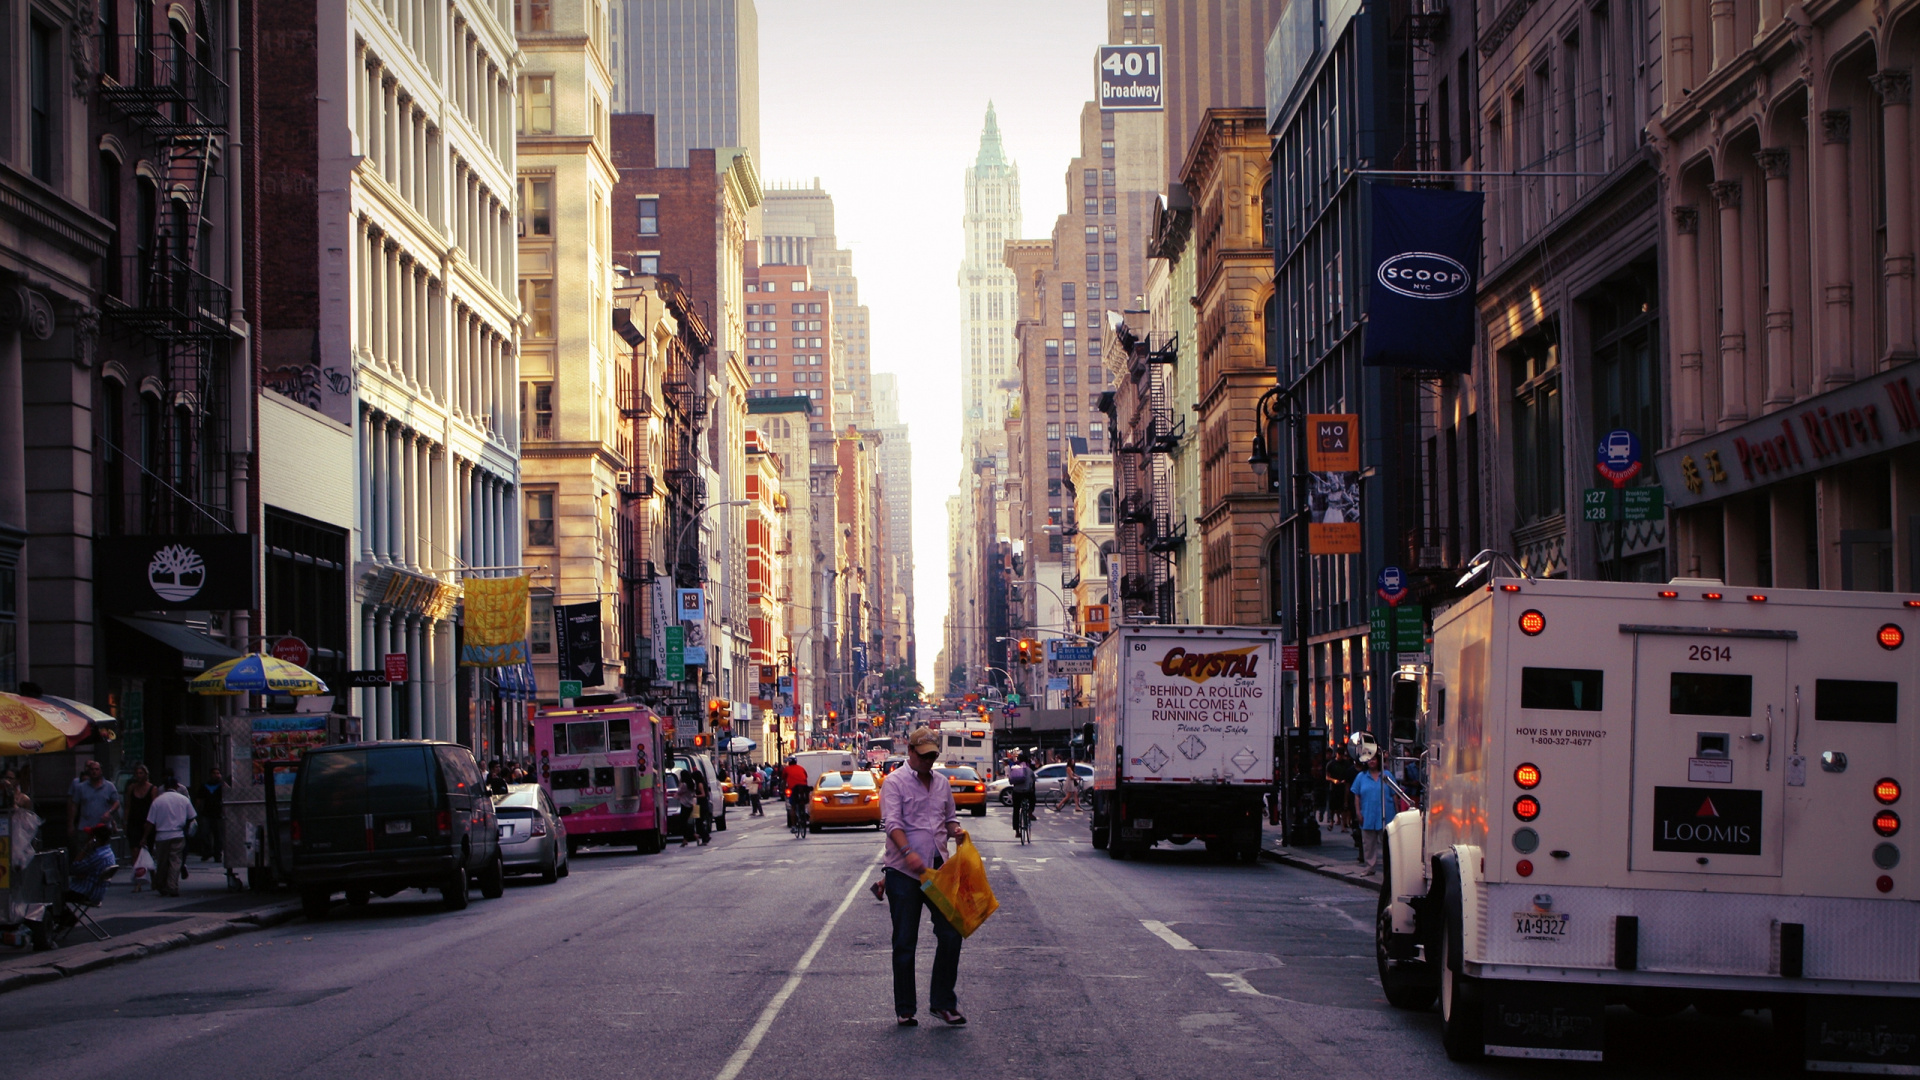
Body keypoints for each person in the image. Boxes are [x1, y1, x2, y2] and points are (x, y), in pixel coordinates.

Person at [879, 726, 969, 1027]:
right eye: (924, 756)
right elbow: (892, 824)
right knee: (905, 941)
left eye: (933, 757)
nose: (929, 762)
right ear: (910, 752)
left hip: (937, 869)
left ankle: (942, 1002)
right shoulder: (894, 783)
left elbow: (949, 818)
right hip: (903, 872)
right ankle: (905, 1008)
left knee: (951, 934)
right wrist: (908, 854)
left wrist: (956, 831)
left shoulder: (942, 783)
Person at [145, 777, 197, 897]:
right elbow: (192, 817)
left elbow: (150, 822)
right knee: (175, 861)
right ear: (177, 786)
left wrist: (145, 837)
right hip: (177, 834)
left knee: (162, 862)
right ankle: (172, 885)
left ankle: (161, 885)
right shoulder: (184, 800)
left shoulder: (157, 801)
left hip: (161, 836)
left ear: (164, 787)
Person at [1350, 753, 1393, 875]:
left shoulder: (1387, 775)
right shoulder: (1361, 777)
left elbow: (1395, 795)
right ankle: (1370, 867)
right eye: (1369, 760)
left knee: (1388, 844)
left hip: (1386, 814)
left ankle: (1389, 869)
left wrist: (1397, 812)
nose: (1372, 762)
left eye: (1374, 759)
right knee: (1368, 844)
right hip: (1367, 813)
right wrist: (1358, 812)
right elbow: (1356, 796)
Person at [67, 759, 120, 842]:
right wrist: (71, 824)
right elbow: (74, 805)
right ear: (89, 771)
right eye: (92, 769)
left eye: (96, 769)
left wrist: (110, 812)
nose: (94, 772)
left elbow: (116, 802)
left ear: (101, 771)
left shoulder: (109, 786)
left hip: (103, 828)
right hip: (86, 827)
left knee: (102, 852)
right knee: (85, 852)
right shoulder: (81, 787)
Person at [123, 764, 157, 868]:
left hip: (147, 822)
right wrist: (125, 821)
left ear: (146, 774)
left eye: (141, 773)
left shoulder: (152, 789)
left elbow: (154, 807)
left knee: (147, 849)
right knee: (135, 850)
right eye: (137, 773)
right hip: (134, 822)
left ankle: (147, 871)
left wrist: (152, 822)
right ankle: (137, 874)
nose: (139, 775)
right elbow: (128, 806)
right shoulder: (131, 788)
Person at [195, 767, 228, 862]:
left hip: (218, 814)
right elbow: (199, 799)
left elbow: (229, 794)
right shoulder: (204, 786)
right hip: (206, 813)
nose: (216, 775)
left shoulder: (222, 785)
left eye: (218, 773)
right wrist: (197, 811)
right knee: (204, 834)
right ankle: (207, 852)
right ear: (210, 775)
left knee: (218, 836)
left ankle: (217, 855)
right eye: (214, 773)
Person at [1006, 751, 1036, 835]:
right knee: (1033, 796)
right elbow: (1033, 782)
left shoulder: (1015, 769)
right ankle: (1030, 812)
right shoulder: (1030, 770)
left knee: (1016, 810)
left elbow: (1011, 781)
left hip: (1017, 792)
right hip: (1027, 792)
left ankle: (1017, 831)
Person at [782, 757, 811, 829]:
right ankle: (804, 812)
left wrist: (783, 790)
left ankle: (793, 826)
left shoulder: (787, 769)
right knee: (804, 802)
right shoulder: (801, 768)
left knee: (793, 807)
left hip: (793, 788)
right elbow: (805, 777)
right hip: (803, 788)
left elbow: (784, 780)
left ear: (789, 762)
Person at [675, 770, 698, 847]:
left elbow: (679, 792)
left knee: (683, 823)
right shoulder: (693, 783)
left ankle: (692, 835)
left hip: (685, 804)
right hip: (693, 803)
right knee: (690, 822)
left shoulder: (684, 785)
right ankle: (687, 838)